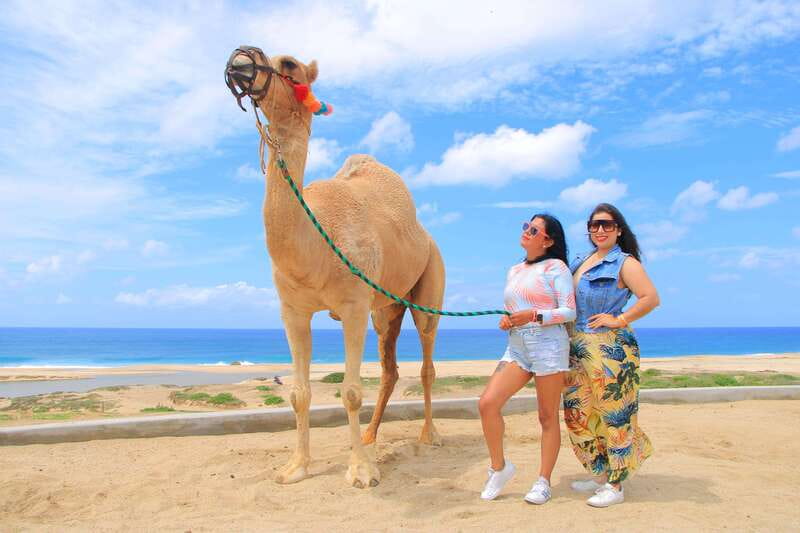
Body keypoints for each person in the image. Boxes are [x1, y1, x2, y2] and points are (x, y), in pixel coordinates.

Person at [563, 203, 659, 508]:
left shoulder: (625, 263)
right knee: (578, 414)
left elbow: (650, 298)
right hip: (577, 346)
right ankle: (601, 474)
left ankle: (616, 485)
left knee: (615, 416)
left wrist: (620, 319)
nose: (600, 230)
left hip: (610, 349)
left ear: (618, 229)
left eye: (606, 224)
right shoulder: (580, 261)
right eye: (594, 225)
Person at [479, 214, 576, 504]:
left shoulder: (556, 267)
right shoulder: (514, 269)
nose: (526, 232)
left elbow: (569, 311)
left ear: (548, 241)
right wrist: (508, 320)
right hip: (517, 347)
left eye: (533, 230)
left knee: (547, 416)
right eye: (526, 226)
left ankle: (543, 481)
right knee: (487, 404)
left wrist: (534, 315)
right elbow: (515, 309)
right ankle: (499, 468)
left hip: (548, 346)